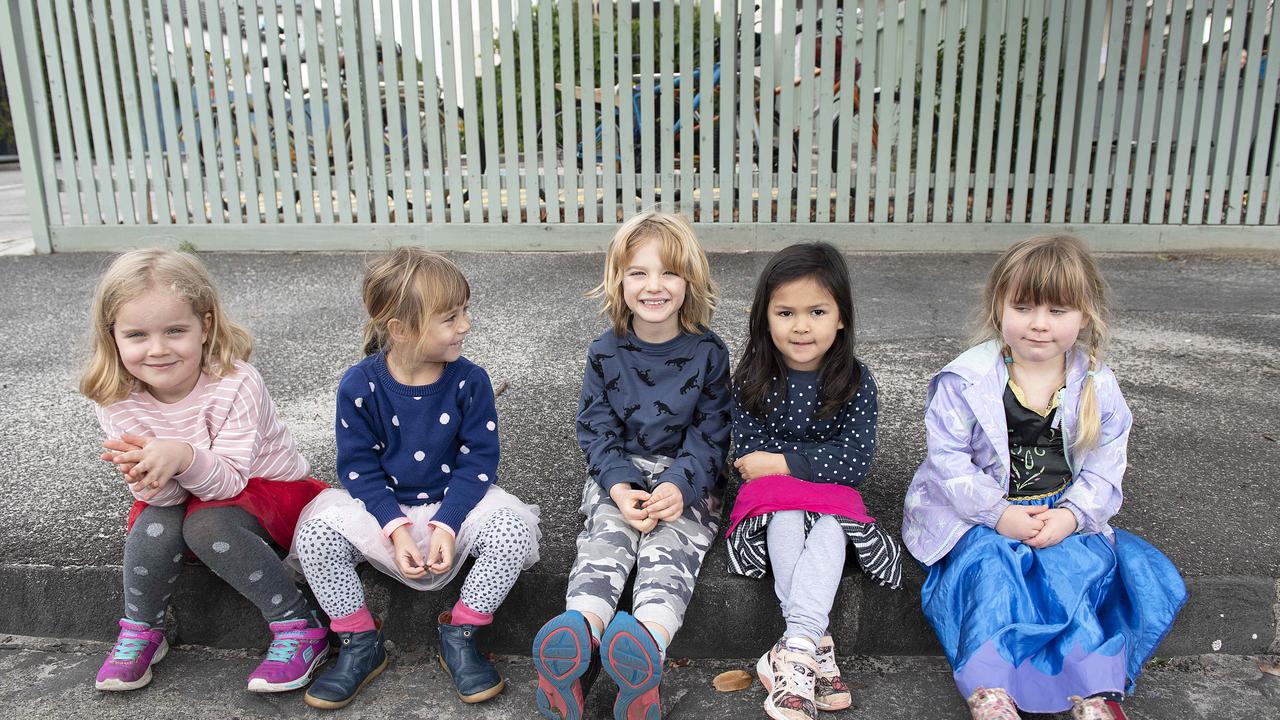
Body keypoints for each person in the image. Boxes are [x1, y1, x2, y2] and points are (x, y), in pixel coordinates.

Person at [902, 235, 1186, 720]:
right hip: (978, 513)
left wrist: (1073, 517)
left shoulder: (1097, 384)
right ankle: (991, 688)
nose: (1039, 323)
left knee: (1072, 574)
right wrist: (999, 514)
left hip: (1059, 509)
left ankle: (1093, 691)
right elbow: (949, 461)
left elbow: (1105, 465)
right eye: (1025, 306)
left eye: (1058, 310)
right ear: (999, 306)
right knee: (992, 571)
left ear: (1085, 314)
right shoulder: (965, 381)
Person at [289, 247, 539, 710]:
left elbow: (478, 462)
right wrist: (395, 527)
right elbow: (358, 468)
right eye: (449, 317)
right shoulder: (359, 385)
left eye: (464, 312)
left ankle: (462, 629)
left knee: (512, 530)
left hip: (455, 503)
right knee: (317, 534)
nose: (464, 325)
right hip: (382, 509)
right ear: (400, 329)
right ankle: (359, 641)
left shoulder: (470, 381)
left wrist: (447, 523)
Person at [82, 249, 328, 693]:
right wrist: (150, 478)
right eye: (136, 334)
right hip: (191, 497)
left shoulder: (235, 381)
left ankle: (300, 627)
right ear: (112, 335)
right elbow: (166, 499)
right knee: (154, 522)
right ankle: (141, 630)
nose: (157, 349)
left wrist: (180, 456)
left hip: (273, 493)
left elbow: (230, 480)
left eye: (175, 330)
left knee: (207, 522)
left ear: (206, 325)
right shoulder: (116, 398)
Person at [532, 211, 730, 720]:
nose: (654, 286)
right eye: (638, 273)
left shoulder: (708, 354)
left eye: (668, 273)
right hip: (619, 474)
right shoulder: (605, 351)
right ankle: (580, 634)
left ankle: (644, 648)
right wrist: (619, 488)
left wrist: (680, 487)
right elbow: (596, 431)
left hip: (688, 479)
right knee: (605, 540)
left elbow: (711, 435)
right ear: (618, 281)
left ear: (690, 280)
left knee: (670, 550)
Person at [724, 242, 902, 720]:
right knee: (785, 515)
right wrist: (798, 466)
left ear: (841, 317)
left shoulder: (856, 381)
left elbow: (856, 463)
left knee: (831, 528)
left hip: (828, 503)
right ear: (765, 318)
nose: (801, 326)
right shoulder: (750, 379)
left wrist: (781, 461)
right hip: (772, 505)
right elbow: (746, 462)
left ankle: (794, 648)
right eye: (785, 312)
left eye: (817, 311)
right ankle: (812, 648)